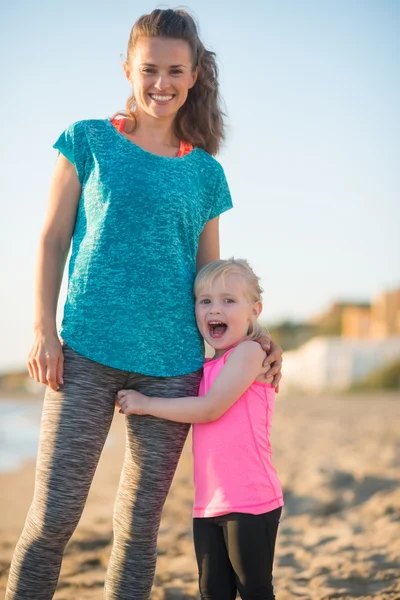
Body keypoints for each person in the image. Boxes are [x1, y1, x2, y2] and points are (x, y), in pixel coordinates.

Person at [6, 9, 282, 600]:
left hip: (172, 367)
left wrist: (255, 337)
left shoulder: (206, 173)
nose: (162, 82)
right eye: (150, 69)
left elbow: (211, 279)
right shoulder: (88, 139)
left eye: (175, 71)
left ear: (194, 75)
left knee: (138, 529)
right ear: (128, 69)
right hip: (84, 350)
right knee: (52, 518)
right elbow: (53, 238)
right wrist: (41, 330)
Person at [117, 258, 283, 600]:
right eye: (204, 300)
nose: (213, 309)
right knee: (212, 591)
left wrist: (146, 403)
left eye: (228, 300)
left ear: (255, 310)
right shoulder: (207, 365)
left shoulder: (250, 353)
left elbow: (209, 409)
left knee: (254, 590)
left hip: (250, 500)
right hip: (208, 503)